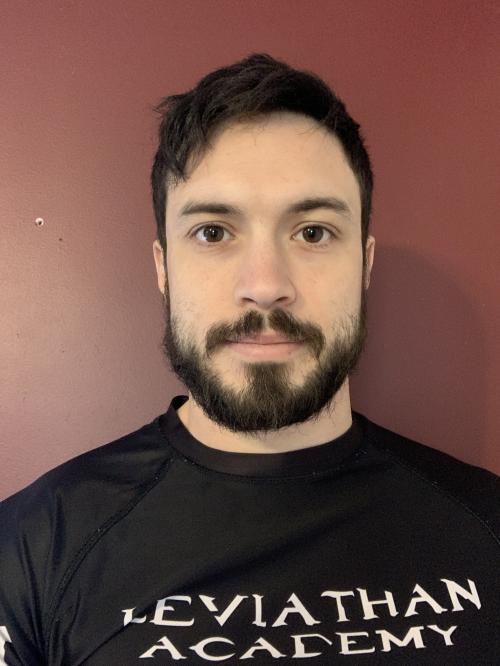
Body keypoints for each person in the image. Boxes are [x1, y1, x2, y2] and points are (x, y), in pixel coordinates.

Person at [0, 54, 498, 665]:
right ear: (162, 268)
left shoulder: (486, 527)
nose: (265, 286)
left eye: (313, 232)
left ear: (365, 265)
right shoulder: (31, 547)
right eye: (213, 232)